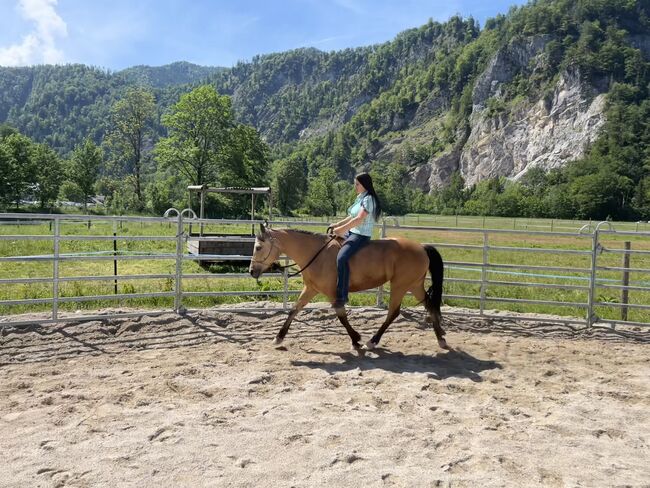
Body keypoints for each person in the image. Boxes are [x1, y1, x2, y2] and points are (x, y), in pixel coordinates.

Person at [330, 172, 382, 310]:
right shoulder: (361, 197)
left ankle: (342, 296)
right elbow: (351, 216)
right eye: (355, 184)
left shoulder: (368, 199)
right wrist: (337, 225)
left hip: (361, 235)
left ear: (364, 184)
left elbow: (359, 219)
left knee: (341, 258)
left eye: (357, 184)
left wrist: (341, 230)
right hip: (352, 232)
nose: (355, 187)